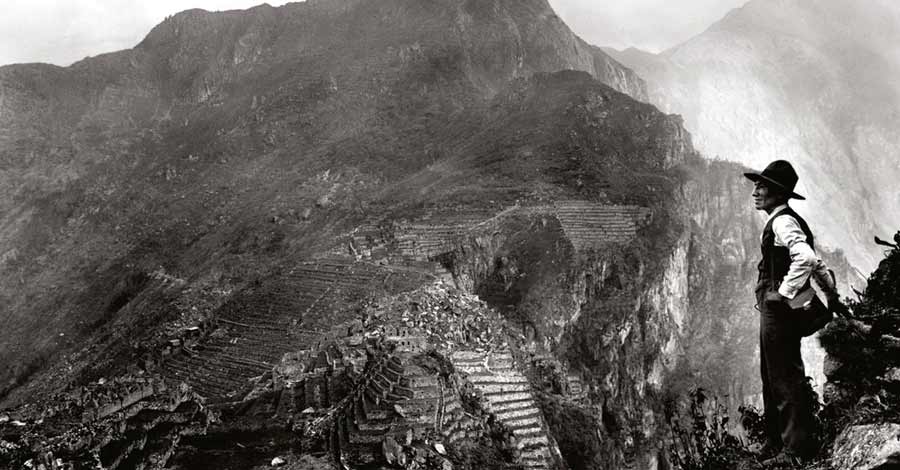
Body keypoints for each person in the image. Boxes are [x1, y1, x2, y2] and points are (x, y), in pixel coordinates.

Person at [743, 160, 847, 465]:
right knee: (772, 373)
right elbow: (817, 265)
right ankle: (775, 442)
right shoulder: (787, 219)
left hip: (778, 310)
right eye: (757, 185)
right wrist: (831, 294)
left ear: (777, 192)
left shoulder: (781, 222)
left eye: (762, 187)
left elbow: (805, 257)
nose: (756, 191)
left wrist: (783, 293)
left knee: (784, 376)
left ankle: (794, 449)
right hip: (778, 308)